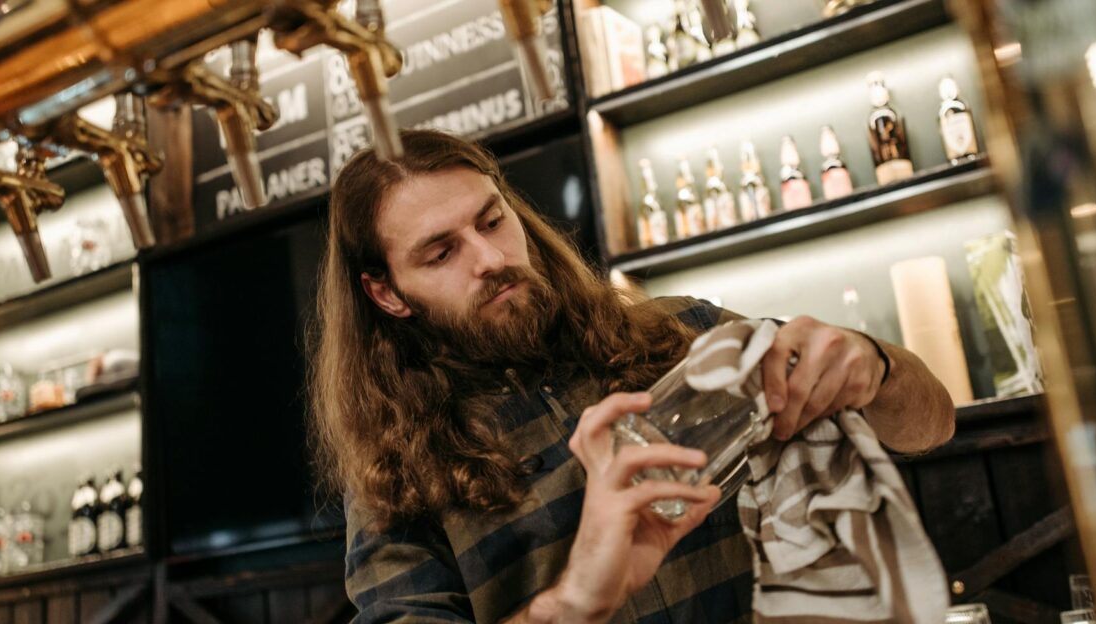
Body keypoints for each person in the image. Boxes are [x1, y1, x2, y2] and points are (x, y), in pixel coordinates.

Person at [310, 130, 956, 623]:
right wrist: (579, 594)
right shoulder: (392, 478)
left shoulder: (687, 333)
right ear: (387, 293)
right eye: (441, 252)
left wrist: (877, 366)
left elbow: (932, 425)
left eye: (491, 221)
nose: (489, 259)